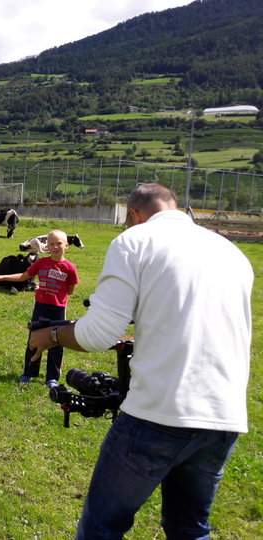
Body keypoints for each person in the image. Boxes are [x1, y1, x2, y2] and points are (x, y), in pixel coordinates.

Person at [28, 184, 253, 539]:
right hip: (224, 415)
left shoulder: (136, 241)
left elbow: (98, 333)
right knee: (190, 529)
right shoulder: (230, 251)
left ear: (134, 214)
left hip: (158, 413)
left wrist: (51, 335)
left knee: (102, 527)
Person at [0, 229, 79, 388]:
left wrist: (51, 289)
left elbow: (70, 290)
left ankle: (52, 377)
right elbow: (24, 276)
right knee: (34, 340)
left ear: (66, 245)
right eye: (51, 244)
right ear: (47, 247)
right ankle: (28, 373)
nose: (55, 247)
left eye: (58, 243)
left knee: (57, 342)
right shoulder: (41, 263)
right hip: (41, 307)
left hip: (58, 309)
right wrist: (3, 277)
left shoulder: (69, 268)